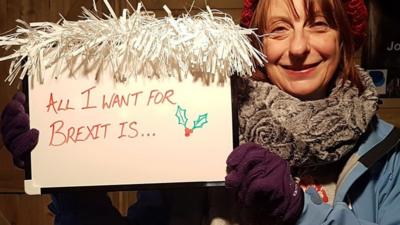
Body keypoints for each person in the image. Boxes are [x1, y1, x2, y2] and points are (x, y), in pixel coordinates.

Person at [1, 0, 400, 224]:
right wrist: (67, 183)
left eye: (318, 25)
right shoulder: (196, 131)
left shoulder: (387, 153)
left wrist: (299, 211)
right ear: (257, 45)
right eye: (278, 30)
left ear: (346, 39)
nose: (297, 47)